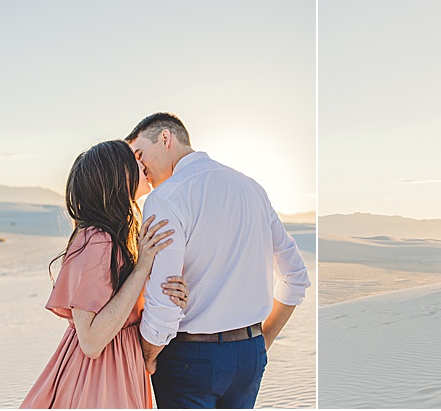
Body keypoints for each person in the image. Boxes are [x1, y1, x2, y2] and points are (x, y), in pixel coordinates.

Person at [126, 112, 311, 408]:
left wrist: (147, 357)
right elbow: (296, 277)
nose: (140, 168)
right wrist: (261, 343)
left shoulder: (165, 199)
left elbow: (165, 301)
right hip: (248, 356)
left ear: (165, 138)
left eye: (139, 154)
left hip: (188, 359)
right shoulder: (252, 188)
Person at [20, 140, 190, 408]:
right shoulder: (97, 240)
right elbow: (91, 341)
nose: (141, 161)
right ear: (117, 174)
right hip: (98, 376)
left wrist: (170, 294)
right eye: (131, 157)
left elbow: (126, 304)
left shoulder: (121, 236)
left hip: (125, 364)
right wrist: (143, 268)